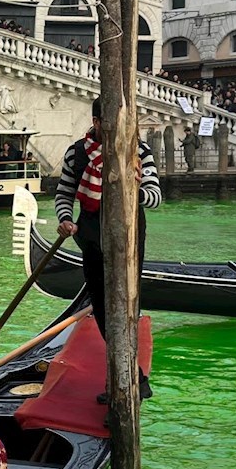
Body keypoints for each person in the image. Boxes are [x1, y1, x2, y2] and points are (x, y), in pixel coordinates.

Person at [54, 102, 162, 363]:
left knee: (127, 301)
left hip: (130, 238)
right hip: (91, 237)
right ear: (97, 122)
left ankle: (130, 369)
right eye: (112, 123)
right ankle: (120, 366)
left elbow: (155, 198)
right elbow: (64, 194)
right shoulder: (76, 154)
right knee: (101, 305)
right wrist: (66, 219)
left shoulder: (139, 152)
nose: (120, 129)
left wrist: (134, 187)